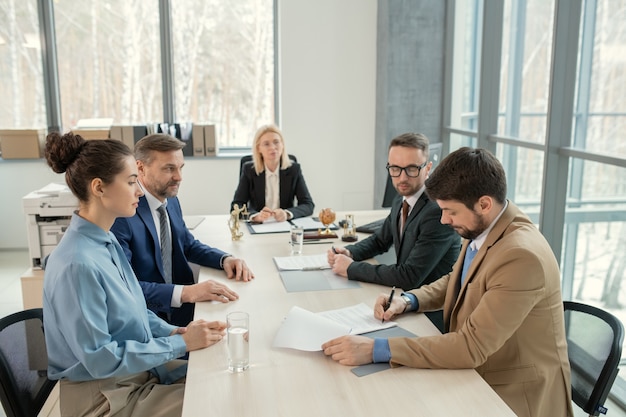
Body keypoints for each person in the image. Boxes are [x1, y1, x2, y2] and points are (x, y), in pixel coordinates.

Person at [322, 147, 573, 417]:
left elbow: (470, 347)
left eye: (449, 211)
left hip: (514, 395)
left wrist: (376, 349)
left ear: (484, 203)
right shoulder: (485, 225)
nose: (443, 220)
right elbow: (459, 279)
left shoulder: (521, 256)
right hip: (476, 372)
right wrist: (409, 300)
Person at [43, 132, 226, 416]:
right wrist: (180, 343)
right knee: (219, 404)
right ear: (99, 188)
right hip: (105, 397)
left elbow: (135, 310)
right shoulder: (76, 264)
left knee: (225, 376)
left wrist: (177, 332)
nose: (139, 191)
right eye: (131, 182)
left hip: (137, 375)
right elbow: (100, 359)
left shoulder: (104, 240)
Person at [111, 133, 254, 328]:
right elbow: (124, 287)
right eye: (169, 168)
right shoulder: (124, 214)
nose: (179, 177)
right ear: (140, 168)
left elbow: (186, 244)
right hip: (149, 320)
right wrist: (187, 293)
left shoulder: (170, 200)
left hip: (184, 311)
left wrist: (225, 259)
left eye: (180, 167)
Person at [327, 133, 460, 329]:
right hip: (403, 303)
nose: (402, 178)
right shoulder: (401, 199)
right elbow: (381, 241)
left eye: (412, 169)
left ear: (428, 168)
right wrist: (350, 252)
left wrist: (351, 268)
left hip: (431, 316)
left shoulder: (437, 211)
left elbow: (409, 276)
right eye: (395, 169)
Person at [231, 124, 314, 223]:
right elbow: (236, 206)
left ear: (282, 145)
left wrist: (287, 213)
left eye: (276, 142)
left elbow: (308, 204)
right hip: (259, 226)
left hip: (284, 225)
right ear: (258, 148)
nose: (273, 147)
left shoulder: (294, 169)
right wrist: (256, 216)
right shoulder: (249, 170)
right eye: (266, 144)